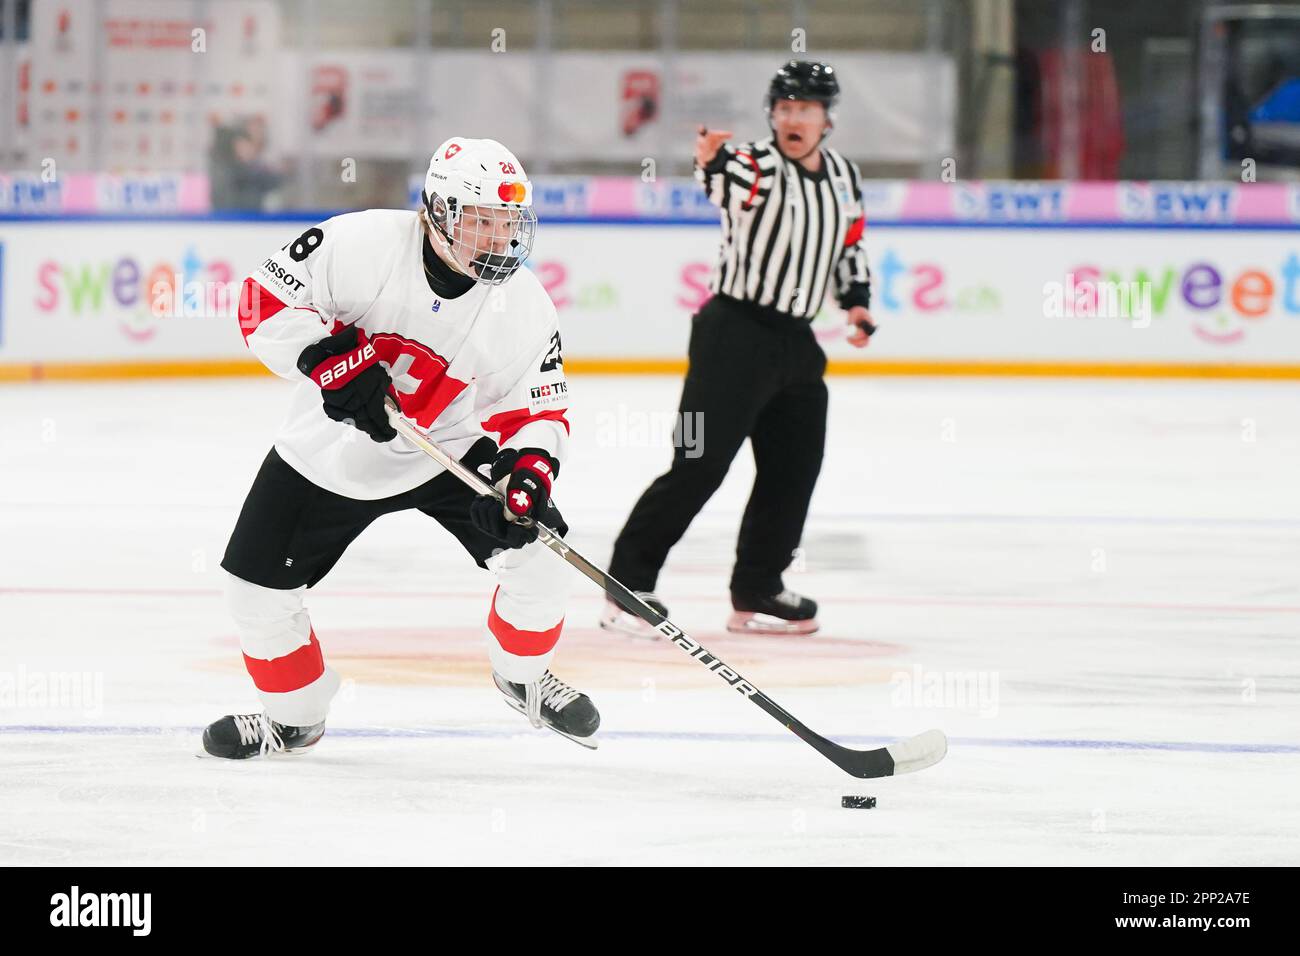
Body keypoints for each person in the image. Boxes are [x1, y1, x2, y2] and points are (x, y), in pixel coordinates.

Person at [201, 136, 595, 758]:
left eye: (507, 223)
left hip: (449, 447)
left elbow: (539, 410)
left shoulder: (522, 304)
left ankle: (523, 677)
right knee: (254, 593)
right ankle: (295, 716)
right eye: (480, 222)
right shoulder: (360, 245)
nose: (498, 240)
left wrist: (527, 475)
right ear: (437, 213)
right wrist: (325, 359)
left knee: (541, 557)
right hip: (326, 453)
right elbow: (261, 301)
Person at [602, 60, 875, 638]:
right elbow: (727, 182)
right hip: (732, 336)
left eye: (804, 109)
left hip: (798, 345)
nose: (792, 118)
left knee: (793, 469)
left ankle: (758, 588)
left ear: (828, 118)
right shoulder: (758, 163)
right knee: (698, 463)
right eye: (783, 108)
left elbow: (849, 245)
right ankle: (628, 584)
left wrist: (856, 303)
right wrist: (710, 159)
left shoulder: (846, 177)